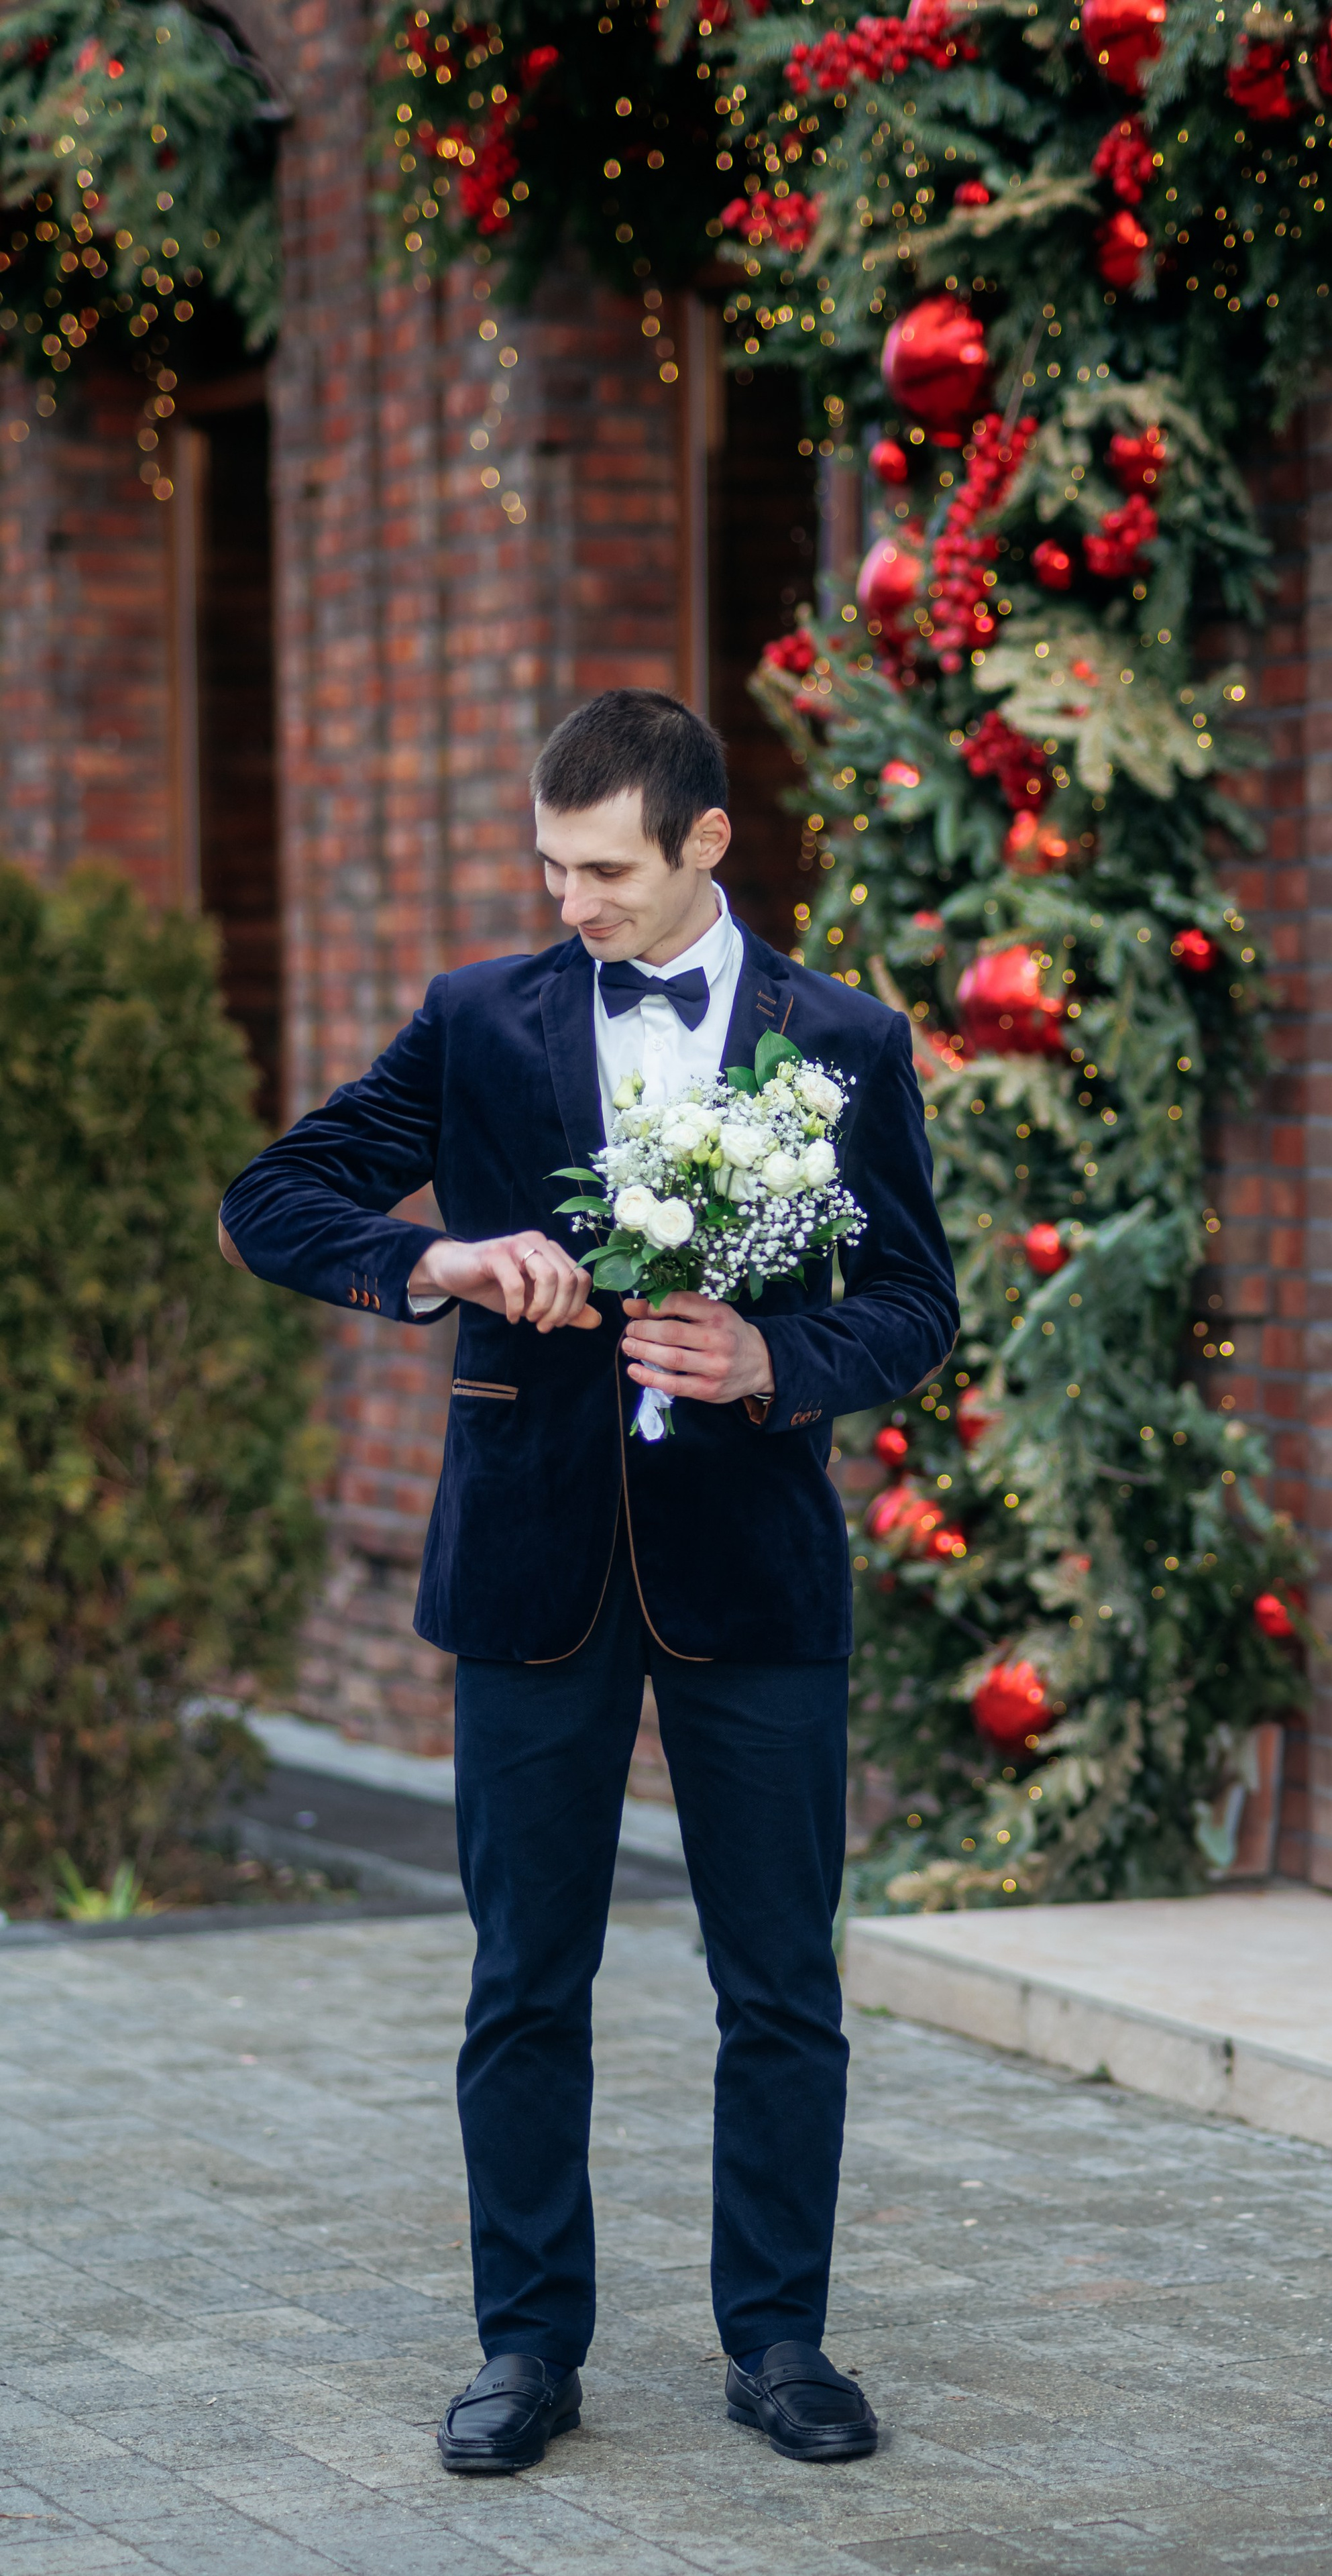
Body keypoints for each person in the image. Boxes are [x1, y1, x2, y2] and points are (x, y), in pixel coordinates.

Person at [217, 689, 958, 2473]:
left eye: (606, 870)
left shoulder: (845, 1039)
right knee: (524, 1982)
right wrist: (447, 1261)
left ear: (707, 841)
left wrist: (777, 1362)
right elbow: (275, 1198)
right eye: (552, 868)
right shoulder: (480, 1018)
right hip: (530, 1561)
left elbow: (914, 1304)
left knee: (779, 1985)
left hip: (755, 1572)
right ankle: (526, 2348)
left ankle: (779, 2341)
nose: (572, 902)